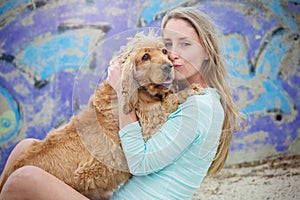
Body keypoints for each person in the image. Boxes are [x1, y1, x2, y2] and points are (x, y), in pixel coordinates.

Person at [0, 6, 245, 200]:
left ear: (207, 52)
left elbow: (140, 162)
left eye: (185, 44)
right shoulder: (187, 95)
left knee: (23, 180)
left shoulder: (198, 105)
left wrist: (122, 91)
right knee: (26, 148)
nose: (172, 56)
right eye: (168, 45)